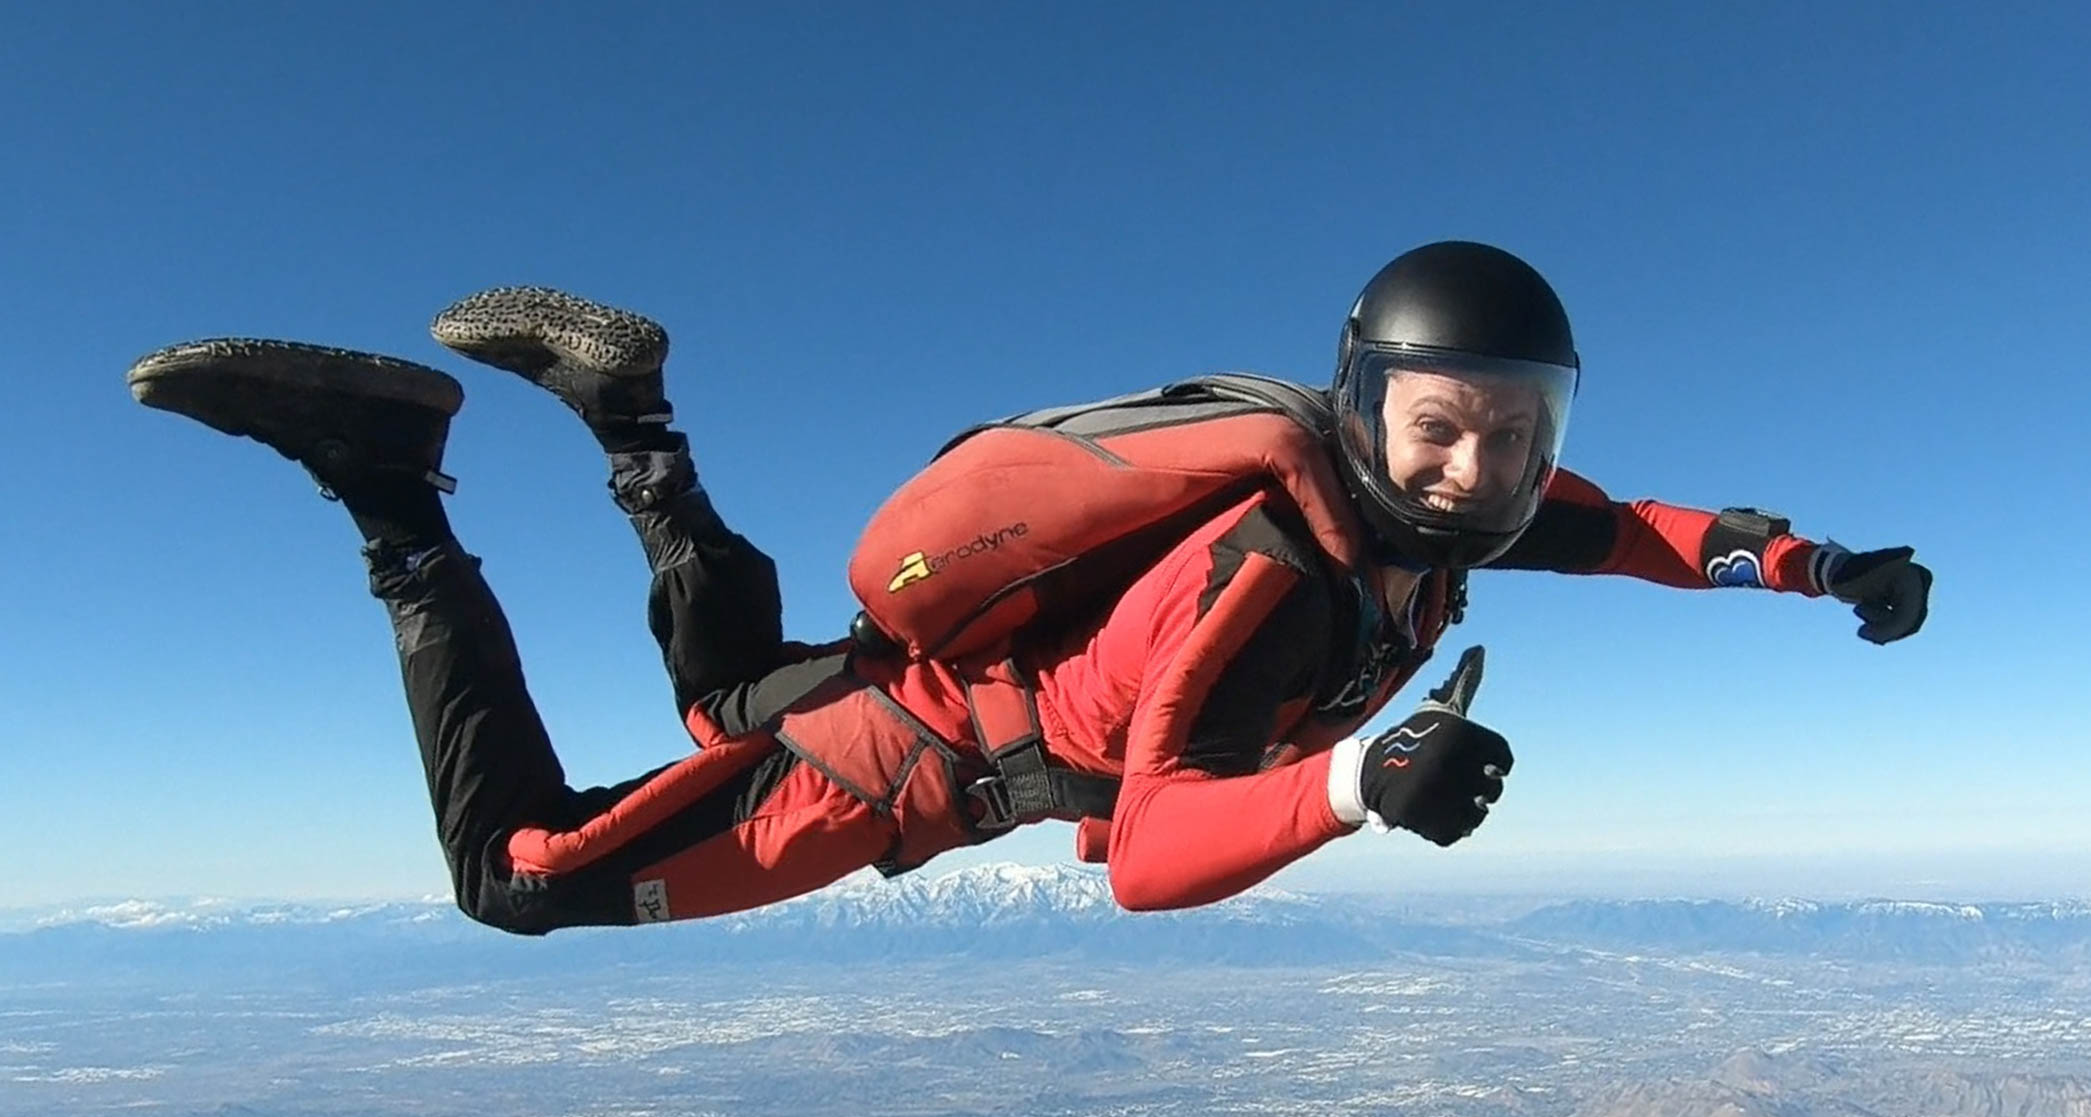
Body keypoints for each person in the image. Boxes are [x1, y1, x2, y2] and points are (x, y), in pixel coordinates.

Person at [129, 242, 1931, 936]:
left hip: (911, 699)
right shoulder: (1279, 585)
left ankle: (632, 413)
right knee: (515, 883)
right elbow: (1150, 852)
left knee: (716, 693)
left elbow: (1642, 531)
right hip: (902, 767)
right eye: (1446, 431)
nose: (1486, 474)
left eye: (1522, 439)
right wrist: (1354, 787)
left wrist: (1815, 566)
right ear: (1368, 403)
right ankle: (392, 499)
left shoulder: (1445, 515)